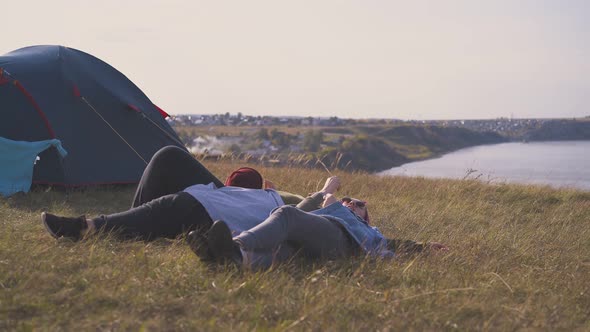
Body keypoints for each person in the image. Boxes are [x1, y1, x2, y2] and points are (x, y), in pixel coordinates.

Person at [41, 146, 331, 244]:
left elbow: (298, 217)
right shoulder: (273, 193)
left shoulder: (303, 207)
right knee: (169, 156)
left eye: (358, 206)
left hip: (228, 209)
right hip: (232, 196)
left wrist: (325, 193)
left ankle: (86, 228)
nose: (356, 204)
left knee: (180, 204)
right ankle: (134, 221)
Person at [189, 177, 448, 269]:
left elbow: (401, 244)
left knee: (286, 216)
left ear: (365, 217)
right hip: (322, 244)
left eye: (357, 203)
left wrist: (425, 246)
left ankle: (234, 244)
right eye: (348, 201)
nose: (349, 203)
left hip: (341, 240)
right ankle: (229, 260)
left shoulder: (370, 232)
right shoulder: (326, 214)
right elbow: (307, 207)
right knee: (285, 254)